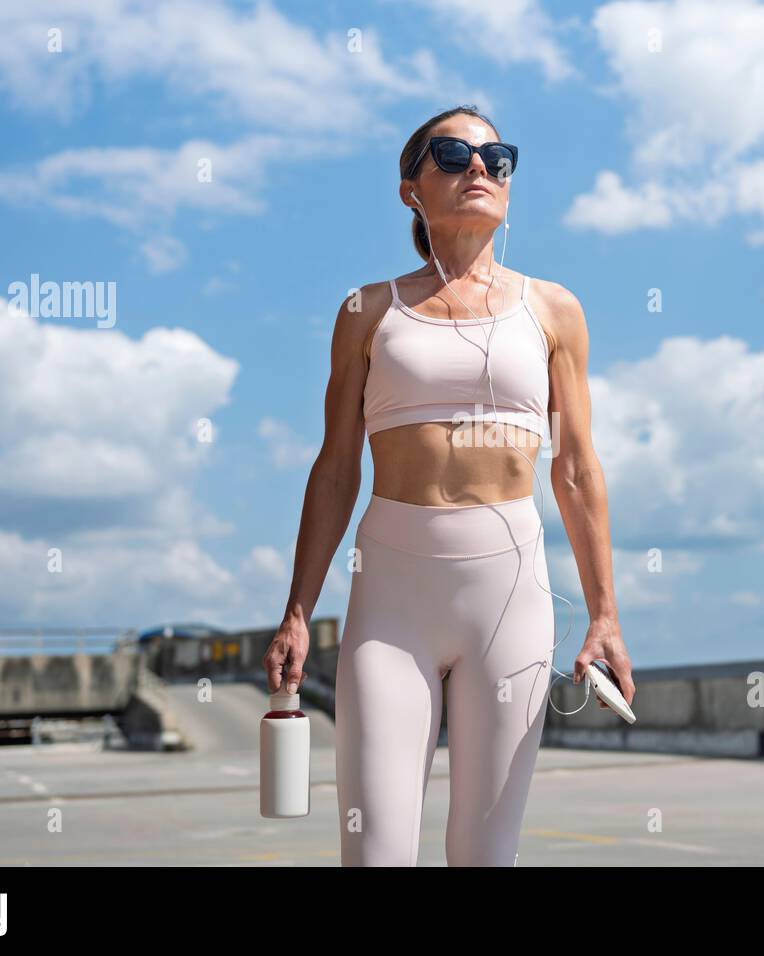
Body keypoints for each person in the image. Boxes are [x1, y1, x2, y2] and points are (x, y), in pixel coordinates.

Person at [263, 105, 634, 866]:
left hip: (511, 602)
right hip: (390, 602)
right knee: (375, 854)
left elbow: (574, 468)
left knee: (487, 855)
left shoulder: (555, 309)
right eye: (453, 153)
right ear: (410, 189)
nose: (479, 169)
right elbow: (335, 468)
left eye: (496, 157)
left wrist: (604, 614)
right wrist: (298, 611)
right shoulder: (367, 311)